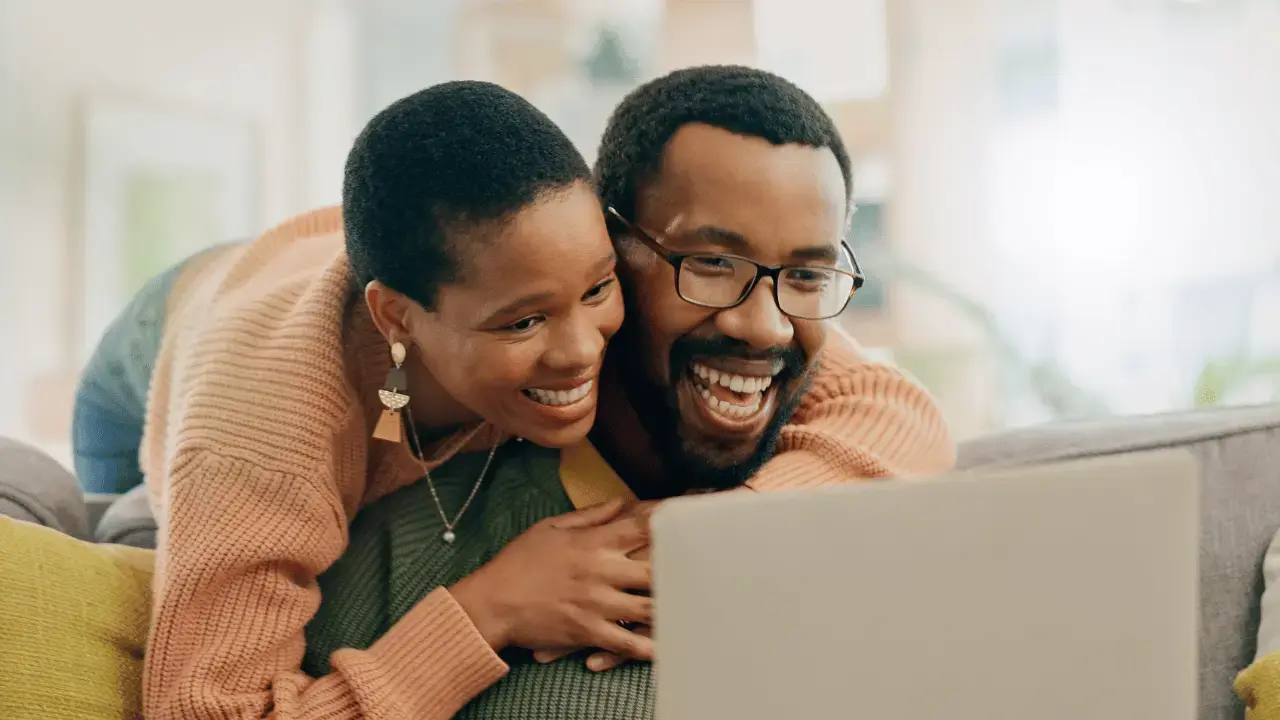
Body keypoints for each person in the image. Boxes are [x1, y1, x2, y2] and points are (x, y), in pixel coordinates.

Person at [295, 65, 956, 720]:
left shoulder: (874, 513)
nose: (764, 327)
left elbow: (898, 408)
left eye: (809, 275)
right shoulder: (397, 550)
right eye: (712, 264)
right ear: (607, 252)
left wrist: (726, 537)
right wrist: (484, 614)